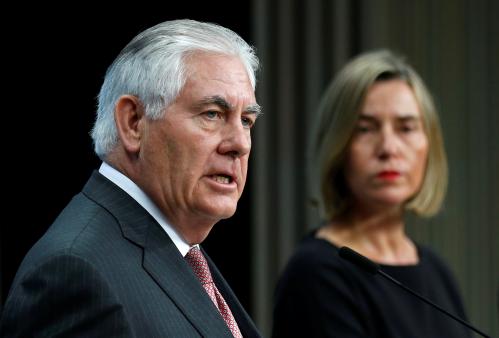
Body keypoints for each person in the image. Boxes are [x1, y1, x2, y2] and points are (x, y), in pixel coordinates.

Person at [1, 19, 262, 337]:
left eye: (246, 120)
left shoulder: (180, 250)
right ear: (134, 122)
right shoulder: (76, 274)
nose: (240, 143)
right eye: (212, 114)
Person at [272, 49, 470, 337]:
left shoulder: (438, 271)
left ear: (430, 144)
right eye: (365, 129)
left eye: (406, 128)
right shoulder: (316, 273)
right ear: (337, 146)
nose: (388, 148)